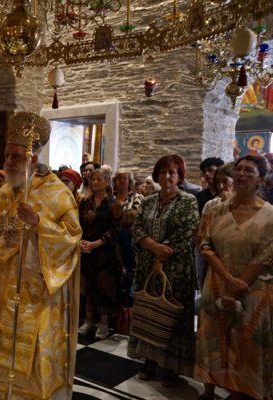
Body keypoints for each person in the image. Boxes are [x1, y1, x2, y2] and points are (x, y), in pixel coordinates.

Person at [0, 111, 82, 398]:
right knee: (3, 361)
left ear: (33, 158)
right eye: (7, 156)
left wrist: (39, 224)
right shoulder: (4, 194)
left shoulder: (58, 194)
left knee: (34, 361)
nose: (8, 162)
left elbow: (71, 240)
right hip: (3, 294)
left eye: (16, 156)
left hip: (38, 297)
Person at [195, 155, 273, 400]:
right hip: (217, 283)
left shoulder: (270, 215)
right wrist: (228, 277)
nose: (241, 174)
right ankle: (208, 389)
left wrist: (240, 284)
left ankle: (240, 392)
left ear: (261, 179)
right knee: (212, 339)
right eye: (238, 169)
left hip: (253, 289)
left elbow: (266, 255)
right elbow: (205, 243)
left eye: (249, 171)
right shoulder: (216, 209)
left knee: (245, 342)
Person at [128, 154, 199, 387]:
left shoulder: (188, 201)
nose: (167, 176)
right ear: (157, 175)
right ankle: (149, 360)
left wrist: (162, 255)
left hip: (176, 268)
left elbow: (186, 231)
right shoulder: (148, 201)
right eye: (163, 172)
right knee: (150, 312)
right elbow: (137, 228)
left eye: (172, 173)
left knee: (172, 315)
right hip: (148, 266)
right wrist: (154, 247)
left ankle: (171, 367)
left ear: (179, 176)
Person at [78, 168, 122, 339]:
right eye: (93, 179)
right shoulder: (85, 202)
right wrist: (80, 241)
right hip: (87, 250)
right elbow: (78, 224)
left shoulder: (113, 203)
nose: (95, 182)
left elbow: (116, 229)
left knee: (104, 287)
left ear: (106, 182)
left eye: (99, 179)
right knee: (88, 286)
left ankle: (103, 322)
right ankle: (88, 320)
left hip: (105, 252)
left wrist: (98, 242)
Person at [112, 168, 143, 306]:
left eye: (124, 178)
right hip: (111, 241)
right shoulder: (110, 197)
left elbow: (136, 218)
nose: (121, 181)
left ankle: (127, 311)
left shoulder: (137, 197)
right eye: (119, 178)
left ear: (129, 181)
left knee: (128, 278)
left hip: (129, 241)